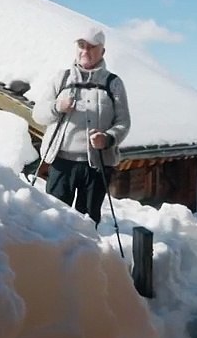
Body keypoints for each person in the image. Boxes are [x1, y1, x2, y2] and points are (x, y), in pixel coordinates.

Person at [32, 25, 131, 225]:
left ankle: (84, 255)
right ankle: (54, 255)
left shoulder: (113, 83)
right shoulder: (62, 78)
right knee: (55, 218)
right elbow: (38, 115)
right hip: (61, 163)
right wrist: (57, 106)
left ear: (102, 51)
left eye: (92, 47)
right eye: (81, 45)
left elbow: (123, 122)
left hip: (96, 165)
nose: (85, 51)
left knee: (87, 221)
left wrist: (108, 138)